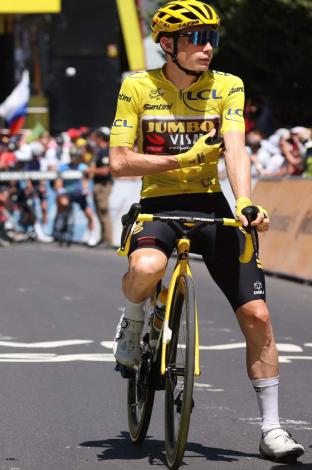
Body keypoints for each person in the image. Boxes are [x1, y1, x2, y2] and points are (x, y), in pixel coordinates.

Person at [108, 1, 303, 462]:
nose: (208, 47)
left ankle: (272, 429)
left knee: (258, 315)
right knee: (146, 268)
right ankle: (134, 320)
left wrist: (246, 201)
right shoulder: (137, 86)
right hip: (159, 204)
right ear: (167, 43)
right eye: (196, 38)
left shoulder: (227, 85)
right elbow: (119, 162)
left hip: (211, 204)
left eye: (212, 38)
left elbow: (235, 148)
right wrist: (182, 159)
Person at [88, 128, 113, 246]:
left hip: (103, 185)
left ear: (100, 138)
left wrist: (90, 170)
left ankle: (107, 240)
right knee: (99, 213)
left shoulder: (105, 151)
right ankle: (103, 238)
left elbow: (105, 171)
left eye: (96, 137)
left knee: (103, 212)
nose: (94, 140)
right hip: (98, 184)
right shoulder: (99, 151)